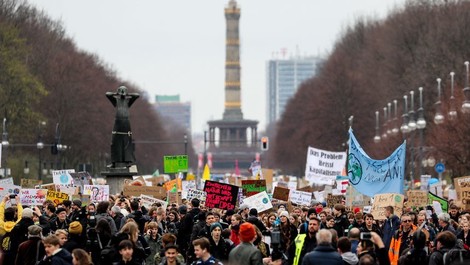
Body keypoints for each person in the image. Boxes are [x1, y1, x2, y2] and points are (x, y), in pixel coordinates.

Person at [106, 85, 139, 167]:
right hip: (117, 122)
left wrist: (127, 94)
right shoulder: (116, 100)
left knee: (127, 142)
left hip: (126, 122)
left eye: (124, 91)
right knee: (115, 142)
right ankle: (114, 162)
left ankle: (128, 161)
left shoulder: (128, 101)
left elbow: (137, 95)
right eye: (121, 91)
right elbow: (107, 94)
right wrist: (117, 93)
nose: (122, 92)